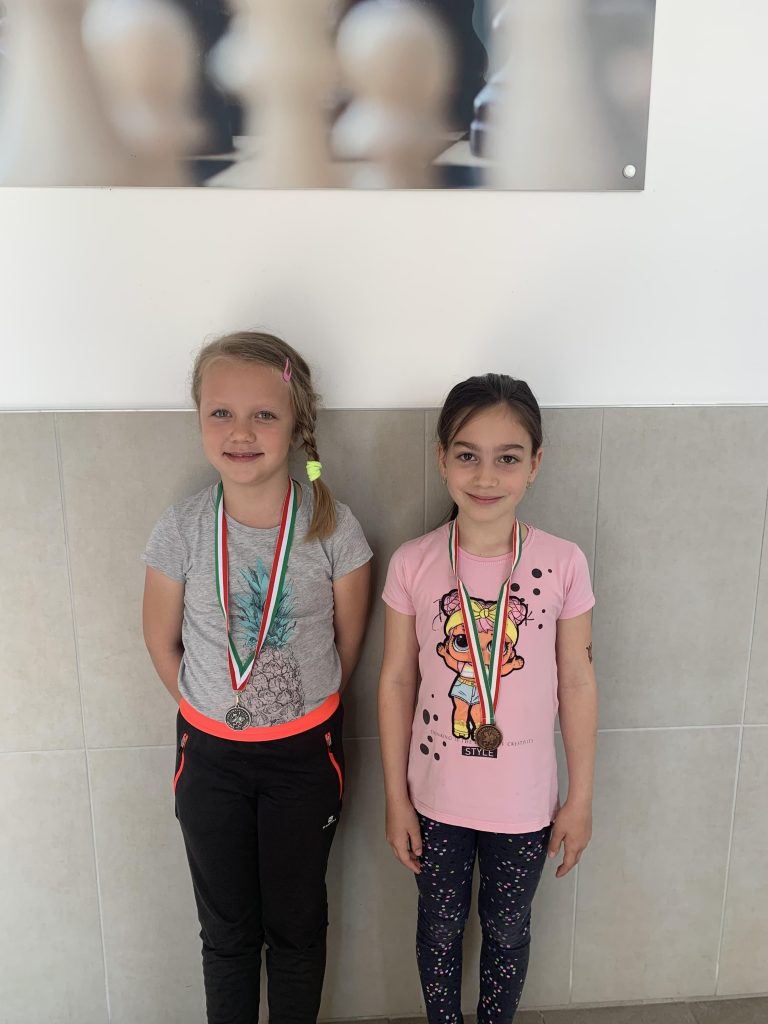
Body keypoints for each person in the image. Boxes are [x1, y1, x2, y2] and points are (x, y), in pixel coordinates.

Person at [142, 331, 372, 1024]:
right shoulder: (182, 528)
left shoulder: (334, 529)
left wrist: (297, 710)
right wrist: (215, 711)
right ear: (199, 418)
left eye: (264, 415)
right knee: (227, 933)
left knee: (297, 928)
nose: (240, 432)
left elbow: (348, 644)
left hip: (304, 758)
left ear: (297, 424)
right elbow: (160, 639)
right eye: (221, 413)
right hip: (209, 759)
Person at [379, 373, 597, 1023]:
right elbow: (396, 681)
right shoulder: (413, 563)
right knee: (439, 929)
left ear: (535, 464)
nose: (485, 476)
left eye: (507, 457)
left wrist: (581, 797)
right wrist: (395, 798)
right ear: (442, 458)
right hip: (434, 799)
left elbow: (578, 681)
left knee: (506, 931)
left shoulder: (563, 563)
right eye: (467, 454)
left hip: (525, 804)